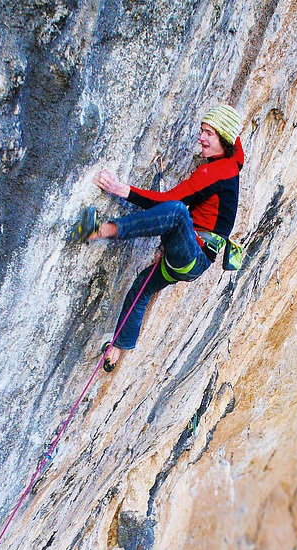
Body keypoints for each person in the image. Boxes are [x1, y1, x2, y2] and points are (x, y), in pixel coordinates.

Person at [79, 103, 244, 371]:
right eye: (202, 131)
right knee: (141, 289)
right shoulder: (234, 162)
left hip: (191, 255)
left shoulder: (215, 172)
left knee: (178, 212)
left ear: (224, 140)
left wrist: (123, 190)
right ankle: (116, 350)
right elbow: (236, 140)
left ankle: (104, 230)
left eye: (209, 133)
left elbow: (170, 201)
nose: (201, 138)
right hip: (189, 261)